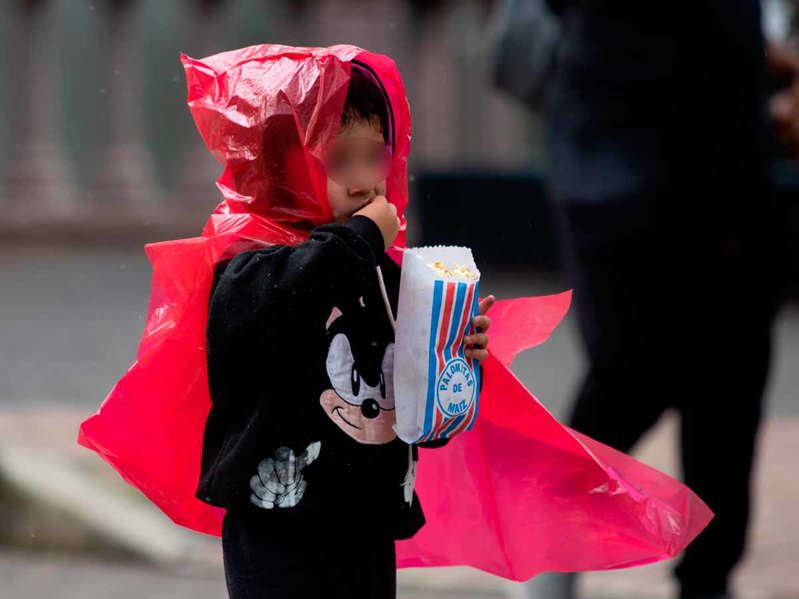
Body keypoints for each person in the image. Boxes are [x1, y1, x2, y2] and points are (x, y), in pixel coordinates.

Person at [494, 1, 791, 598]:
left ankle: (704, 575)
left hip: (708, 157)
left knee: (725, 373)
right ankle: (554, 521)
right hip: (626, 160)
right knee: (639, 368)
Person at [197, 61, 495, 599]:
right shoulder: (255, 261)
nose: (363, 182)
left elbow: (423, 417)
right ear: (286, 168)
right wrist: (359, 240)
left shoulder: (389, 276)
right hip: (278, 518)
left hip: (368, 517)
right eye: (338, 161)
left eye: (374, 156)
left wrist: (454, 358)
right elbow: (286, 297)